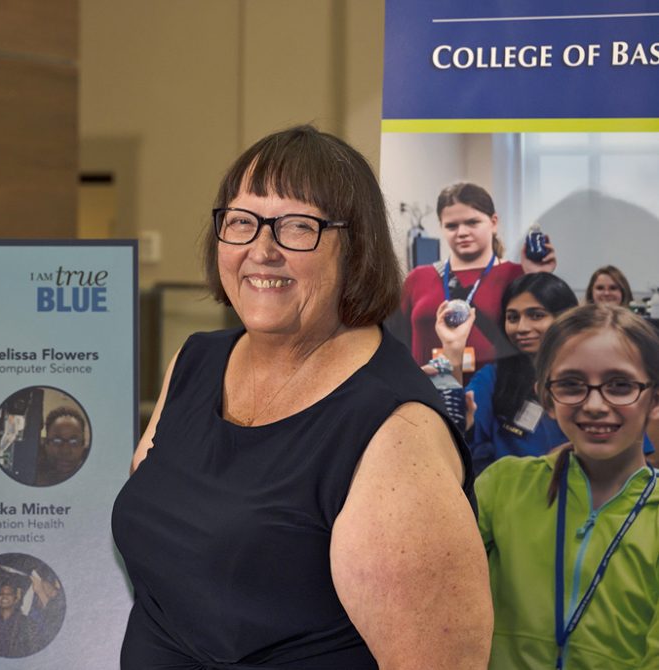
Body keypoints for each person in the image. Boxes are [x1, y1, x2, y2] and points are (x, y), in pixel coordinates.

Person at [112, 126, 492, 668]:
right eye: (241, 222)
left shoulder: (395, 434)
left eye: (297, 226)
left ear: (355, 247)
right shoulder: (194, 363)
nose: (261, 250)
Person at [478, 304, 659, 668]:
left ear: (654, 399)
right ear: (546, 398)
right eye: (571, 385)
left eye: (620, 385)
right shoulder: (502, 487)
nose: (594, 405)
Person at [395, 182, 557, 384]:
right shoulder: (418, 278)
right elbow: (395, 344)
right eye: (452, 226)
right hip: (427, 392)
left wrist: (538, 278)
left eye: (472, 222)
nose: (462, 232)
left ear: (493, 223)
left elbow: (550, 338)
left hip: (498, 393)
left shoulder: (519, 275)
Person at [432, 273, 578, 473]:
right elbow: (461, 430)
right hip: (506, 487)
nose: (522, 328)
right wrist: (452, 348)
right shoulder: (494, 377)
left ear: (566, 318)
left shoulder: (588, 376)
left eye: (536, 315)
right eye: (513, 318)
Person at [34, 406, 90, 486]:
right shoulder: (31, 476)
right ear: (45, 444)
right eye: (57, 441)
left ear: (83, 445)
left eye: (74, 442)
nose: (65, 451)